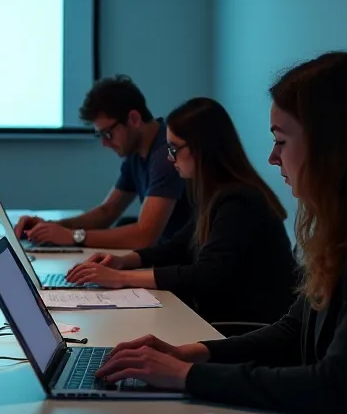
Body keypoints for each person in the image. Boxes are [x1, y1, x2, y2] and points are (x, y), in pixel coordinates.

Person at [95, 52, 347, 414]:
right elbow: (293, 331)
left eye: (281, 140)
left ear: (333, 145)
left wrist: (188, 376)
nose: (272, 157)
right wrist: (196, 352)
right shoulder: (346, 226)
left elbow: (335, 386)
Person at [66, 97, 296, 325]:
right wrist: (122, 262)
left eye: (174, 149)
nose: (169, 157)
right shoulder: (215, 194)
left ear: (200, 148)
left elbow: (205, 274)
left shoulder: (239, 201)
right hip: (223, 321)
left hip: (246, 329)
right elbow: (177, 248)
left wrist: (121, 278)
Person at [14, 75, 192, 249]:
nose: (105, 143)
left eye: (108, 134)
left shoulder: (165, 154)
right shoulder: (137, 153)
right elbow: (107, 211)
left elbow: (144, 236)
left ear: (134, 119)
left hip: (188, 265)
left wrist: (73, 236)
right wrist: (51, 227)